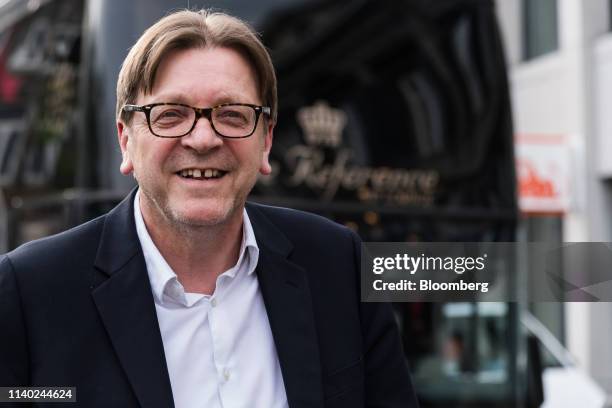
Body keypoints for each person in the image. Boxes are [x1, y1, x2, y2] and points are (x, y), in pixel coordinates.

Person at [0, 9, 418, 408]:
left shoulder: (339, 264)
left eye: (233, 115)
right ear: (126, 140)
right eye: (170, 115)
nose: (203, 139)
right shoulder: (30, 290)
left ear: (266, 142)